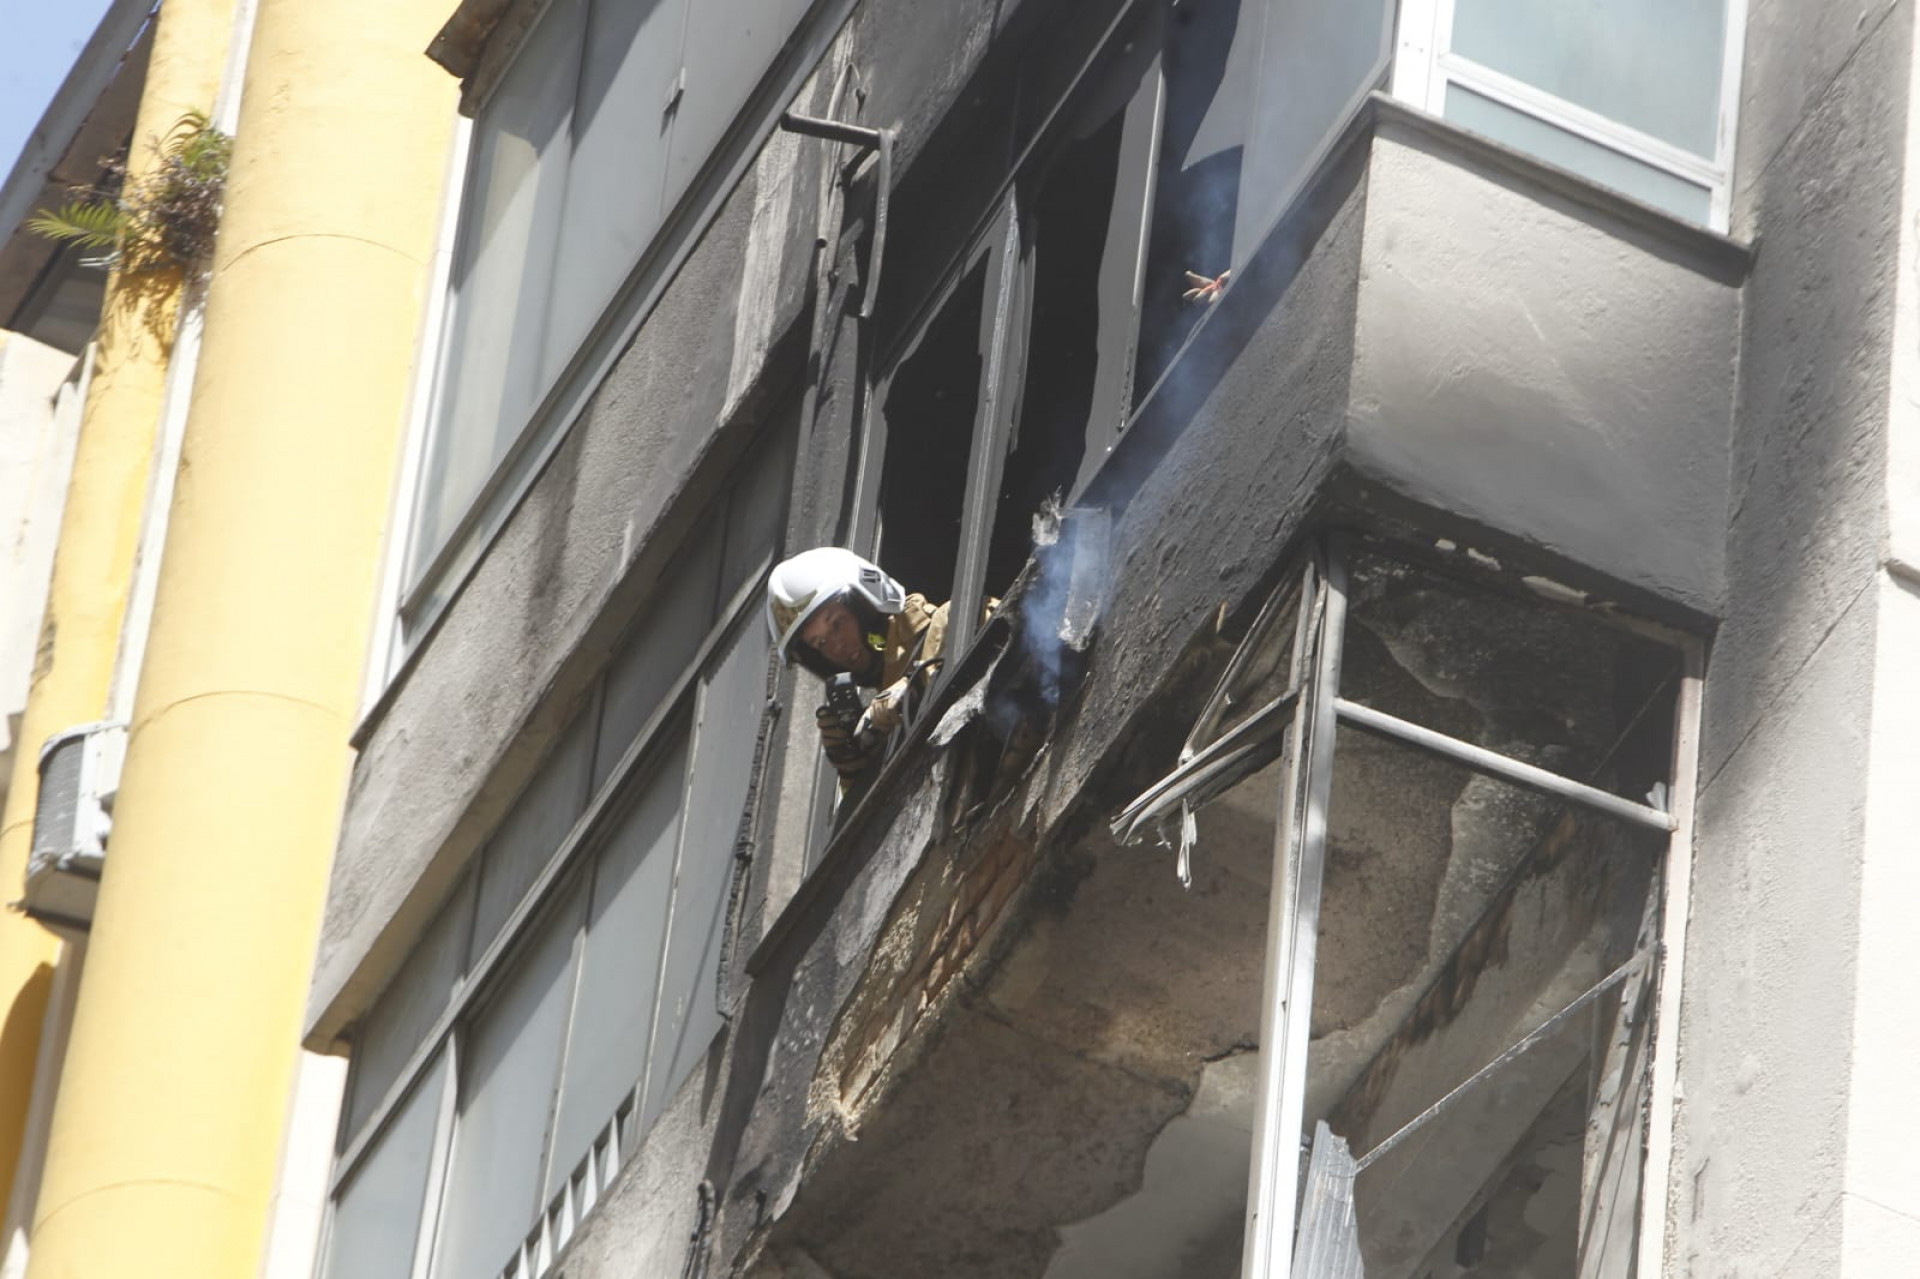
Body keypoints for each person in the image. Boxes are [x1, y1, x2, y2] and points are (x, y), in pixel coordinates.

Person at [764, 547, 954, 786]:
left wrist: (910, 692)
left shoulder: (951, 621)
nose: (836, 647)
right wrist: (858, 769)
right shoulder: (881, 723)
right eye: (820, 643)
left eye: (837, 624)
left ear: (866, 604)